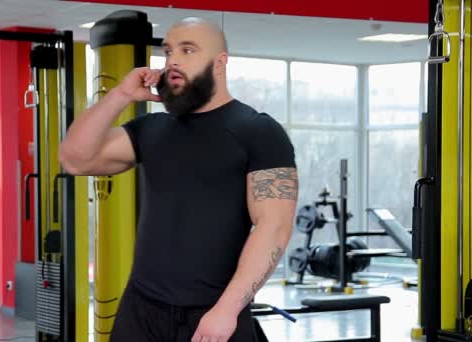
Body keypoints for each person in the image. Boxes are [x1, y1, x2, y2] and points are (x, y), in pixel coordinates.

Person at [59, 17, 298, 342]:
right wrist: (120, 95)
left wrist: (227, 310)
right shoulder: (151, 128)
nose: (173, 60)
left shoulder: (257, 131)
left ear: (220, 62)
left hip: (214, 314)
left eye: (188, 50)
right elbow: (75, 159)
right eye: (169, 51)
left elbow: (274, 227)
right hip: (141, 311)